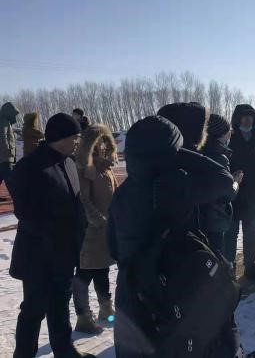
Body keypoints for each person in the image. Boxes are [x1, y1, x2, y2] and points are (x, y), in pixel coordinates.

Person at [108, 115, 240, 357]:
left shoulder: (122, 193)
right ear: (172, 151)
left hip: (131, 292)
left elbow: (113, 248)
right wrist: (184, 155)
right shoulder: (177, 184)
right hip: (174, 289)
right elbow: (225, 181)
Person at [9, 113, 94, 358]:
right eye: (75, 137)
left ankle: (64, 350)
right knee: (34, 309)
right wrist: (57, 231)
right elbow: (26, 212)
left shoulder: (68, 162)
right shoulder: (30, 166)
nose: (77, 141)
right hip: (39, 255)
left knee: (60, 305)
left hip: (64, 253)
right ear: (60, 137)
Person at [72, 124, 118, 335]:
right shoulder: (85, 168)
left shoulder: (106, 167)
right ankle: (83, 317)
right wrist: (98, 220)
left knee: (103, 270)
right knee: (84, 274)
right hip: (90, 232)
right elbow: (83, 199)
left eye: (106, 142)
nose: (103, 146)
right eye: (99, 142)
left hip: (106, 230)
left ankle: (106, 309)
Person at [226, 104, 255, 281]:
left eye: (250, 116)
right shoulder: (230, 138)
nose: (247, 120)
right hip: (233, 193)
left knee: (250, 233)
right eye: (244, 116)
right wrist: (232, 179)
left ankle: (250, 267)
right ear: (238, 119)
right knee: (230, 234)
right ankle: (229, 269)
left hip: (252, 192)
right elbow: (223, 162)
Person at [200, 113, 242, 256]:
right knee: (217, 258)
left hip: (200, 219)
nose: (230, 135)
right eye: (228, 131)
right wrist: (236, 182)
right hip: (215, 219)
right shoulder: (219, 158)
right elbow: (228, 194)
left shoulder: (198, 152)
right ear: (220, 134)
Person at [0, 102, 19, 201]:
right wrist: (7, 151)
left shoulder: (5, 121)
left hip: (4, 155)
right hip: (5, 155)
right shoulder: (3, 121)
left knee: (3, 176)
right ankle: (17, 197)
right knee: (10, 178)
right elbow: (2, 137)